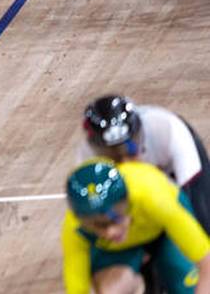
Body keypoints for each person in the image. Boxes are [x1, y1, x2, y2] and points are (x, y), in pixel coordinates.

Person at [62, 158, 210, 294]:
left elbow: (207, 264)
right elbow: (77, 291)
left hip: (164, 231)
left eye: (115, 218)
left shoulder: (154, 198)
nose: (111, 232)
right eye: (98, 225)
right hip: (120, 247)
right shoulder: (75, 229)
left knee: (187, 287)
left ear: (128, 202)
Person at [79, 95, 210, 231]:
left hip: (172, 164)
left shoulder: (168, 130)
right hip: (133, 184)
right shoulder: (88, 161)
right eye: (113, 154)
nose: (125, 160)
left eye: (129, 148)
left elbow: (189, 201)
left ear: (140, 133)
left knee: (203, 219)